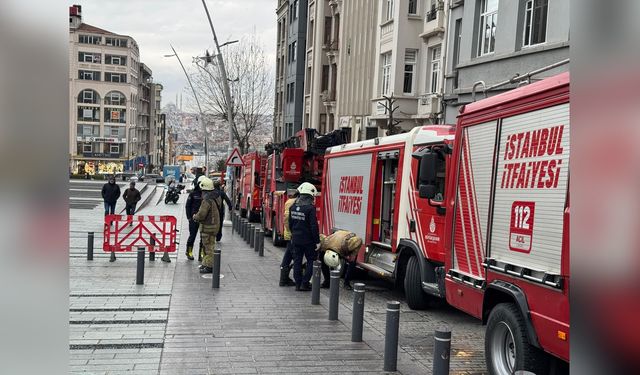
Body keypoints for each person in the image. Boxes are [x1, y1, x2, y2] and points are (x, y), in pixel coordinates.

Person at [289, 182, 321, 291]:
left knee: (297, 261)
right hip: (308, 240)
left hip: (296, 239)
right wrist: (317, 241)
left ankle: (297, 284)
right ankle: (305, 283)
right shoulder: (310, 208)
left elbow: (290, 223)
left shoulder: (293, 207)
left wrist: (293, 234)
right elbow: (313, 226)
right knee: (311, 260)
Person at [192, 177, 222, 274]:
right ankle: (206, 263)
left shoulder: (206, 200)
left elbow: (202, 214)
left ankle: (209, 266)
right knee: (209, 245)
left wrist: (195, 216)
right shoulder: (216, 197)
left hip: (208, 227)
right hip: (214, 226)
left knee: (208, 247)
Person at [279, 189, 298, 287]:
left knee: (288, 256)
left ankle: (284, 279)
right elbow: (286, 218)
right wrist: (291, 231)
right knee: (295, 257)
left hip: (290, 234)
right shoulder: (292, 202)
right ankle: (299, 280)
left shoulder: (290, 201)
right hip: (291, 235)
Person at [185, 178, 204, 261]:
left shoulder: (206, 195)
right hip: (193, 219)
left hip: (203, 219)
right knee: (192, 236)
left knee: (203, 237)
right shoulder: (193, 194)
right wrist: (189, 218)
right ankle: (189, 252)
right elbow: (187, 206)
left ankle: (202, 254)